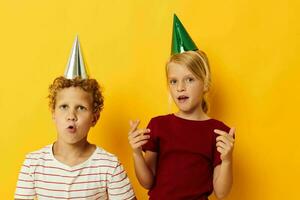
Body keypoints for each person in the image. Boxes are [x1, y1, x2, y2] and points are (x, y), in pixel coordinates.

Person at [128, 14, 235, 200]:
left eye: (189, 79)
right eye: (174, 81)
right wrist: (136, 153)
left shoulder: (218, 132)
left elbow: (222, 192)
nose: (180, 88)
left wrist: (227, 160)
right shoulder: (158, 125)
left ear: (206, 83)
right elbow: (147, 182)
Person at [15, 37, 135, 200]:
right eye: (64, 107)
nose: (71, 116)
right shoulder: (33, 164)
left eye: (81, 108)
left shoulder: (109, 165)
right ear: (53, 113)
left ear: (94, 118)